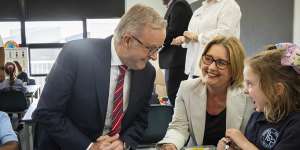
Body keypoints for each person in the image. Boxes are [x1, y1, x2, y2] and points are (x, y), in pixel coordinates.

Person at [32, 4, 166, 150]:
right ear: (127, 40)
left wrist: (123, 143)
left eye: (158, 48)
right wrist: (90, 147)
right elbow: (47, 112)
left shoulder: (147, 73)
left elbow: (140, 120)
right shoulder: (76, 54)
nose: (154, 56)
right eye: (151, 48)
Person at [158, 36, 253, 149]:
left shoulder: (249, 95)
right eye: (208, 59)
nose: (211, 67)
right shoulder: (187, 88)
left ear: (234, 68)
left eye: (221, 63)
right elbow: (179, 127)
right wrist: (171, 144)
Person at [217, 43, 300, 150]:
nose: (245, 91)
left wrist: (244, 143)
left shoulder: (295, 126)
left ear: (277, 89)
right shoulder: (257, 116)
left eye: (250, 84)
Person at [171, 0, 241, 78]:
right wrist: (185, 39)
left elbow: (225, 34)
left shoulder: (229, 5)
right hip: (195, 68)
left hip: (215, 68)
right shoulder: (199, 10)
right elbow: (192, 34)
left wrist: (198, 37)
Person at [159, 0, 192, 107]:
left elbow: (173, 32)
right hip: (174, 60)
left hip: (177, 61)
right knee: (174, 98)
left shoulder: (179, 5)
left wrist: (156, 39)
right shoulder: (174, 6)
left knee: (176, 98)